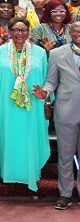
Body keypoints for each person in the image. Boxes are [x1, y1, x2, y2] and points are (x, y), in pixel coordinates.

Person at [0, 18, 50, 191]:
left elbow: (46, 80)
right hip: (7, 105)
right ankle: (8, 173)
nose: (19, 34)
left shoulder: (39, 53)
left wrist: (46, 103)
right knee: (9, 135)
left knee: (30, 136)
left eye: (23, 30)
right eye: (15, 30)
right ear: (9, 31)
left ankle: (29, 173)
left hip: (33, 106)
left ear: (29, 32)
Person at [34, 20, 80, 210]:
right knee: (65, 157)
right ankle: (65, 194)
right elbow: (51, 81)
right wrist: (44, 92)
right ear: (70, 32)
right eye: (76, 30)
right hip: (66, 111)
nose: (79, 33)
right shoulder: (56, 53)